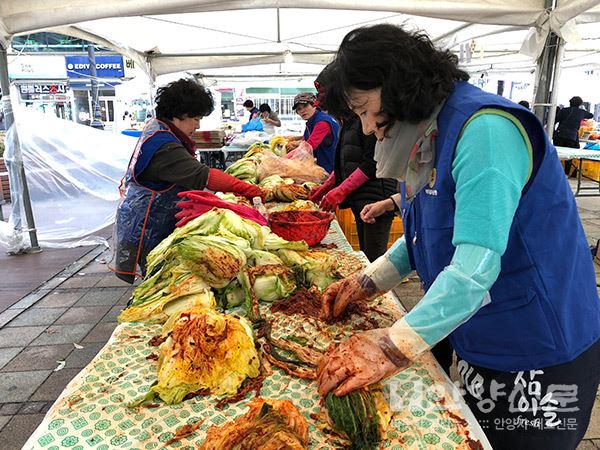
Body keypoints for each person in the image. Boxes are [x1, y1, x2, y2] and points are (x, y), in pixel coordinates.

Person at [317, 24, 600, 450]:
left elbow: (472, 270)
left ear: (396, 82)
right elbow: (424, 233)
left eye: (365, 110)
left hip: (536, 343)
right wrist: (367, 282)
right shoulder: (429, 133)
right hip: (480, 332)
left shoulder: (485, 131)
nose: (369, 128)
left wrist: (391, 347)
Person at [110, 78, 263, 284]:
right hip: (148, 224)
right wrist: (249, 189)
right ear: (179, 114)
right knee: (157, 279)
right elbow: (204, 176)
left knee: (160, 275)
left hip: (146, 217)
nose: (198, 125)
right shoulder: (165, 146)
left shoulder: (158, 129)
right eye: (196, 118)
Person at [308, 62, 397, 262]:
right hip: (359, 197)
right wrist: (327, 187)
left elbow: (371, 164)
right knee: (366, 257)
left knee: (374, 259)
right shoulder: (349, 121)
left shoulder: (369, 118)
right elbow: (344, 162)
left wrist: (340, 191)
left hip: (376, 197)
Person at [285, 92, 340, 173]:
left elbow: (308, 147)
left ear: (314, 105)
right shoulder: (311, 122)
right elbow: (304, 142)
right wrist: (295, 145)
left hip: (331, 169)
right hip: (322, 167)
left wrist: (282, 160)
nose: (302, 111)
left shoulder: (322, 122)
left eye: (305, 106)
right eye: (299, 109)